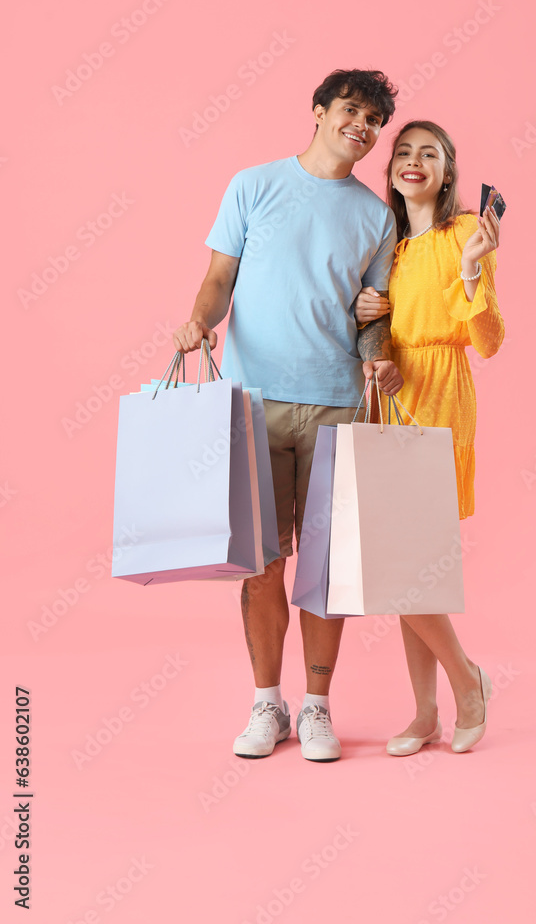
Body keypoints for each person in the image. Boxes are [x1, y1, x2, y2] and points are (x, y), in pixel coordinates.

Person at [172, 69, 403, 762]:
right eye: (350, 110)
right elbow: (220, 278)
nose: (360, 125)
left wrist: (379, 343)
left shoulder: (375, 215)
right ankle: (265, 706)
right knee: (262, 565)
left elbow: (372, 314)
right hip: (254, 402)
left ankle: (316, 710)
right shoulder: (254, 184)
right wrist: (198, 322)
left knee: (327, 569)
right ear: (318, 111)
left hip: (337, 402)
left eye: (372, 119)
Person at [355, 120, 504, 755]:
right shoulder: (386, 245)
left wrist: (472, 274)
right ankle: (424, 714)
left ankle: (467, 682)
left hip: (441, 399)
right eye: (405, 152)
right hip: (392, 399)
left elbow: (490, 341)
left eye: (431, 154)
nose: (414, 161)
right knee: (402, 566)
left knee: (409, 566)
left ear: (447, 174)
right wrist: (370, 331)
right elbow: (375, 328)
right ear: (390, 170)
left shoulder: (465, 233)